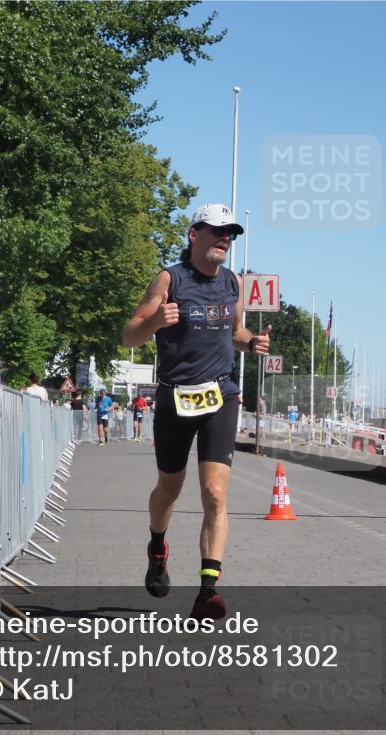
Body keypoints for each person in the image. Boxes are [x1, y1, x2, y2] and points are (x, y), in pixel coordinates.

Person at [123, 204, 272, 620]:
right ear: (194, 234)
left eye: (231, 234)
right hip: (175, 398)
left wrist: (251, 343)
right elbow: (128, 334)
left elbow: (235, 331)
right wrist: (154, 322)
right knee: (168, 488)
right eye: (218, 231)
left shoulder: (232, 283)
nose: (226, 239)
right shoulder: (170, 279)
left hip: (220, 397)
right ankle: (157, 545)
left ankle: (208, 590)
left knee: (215, 493)